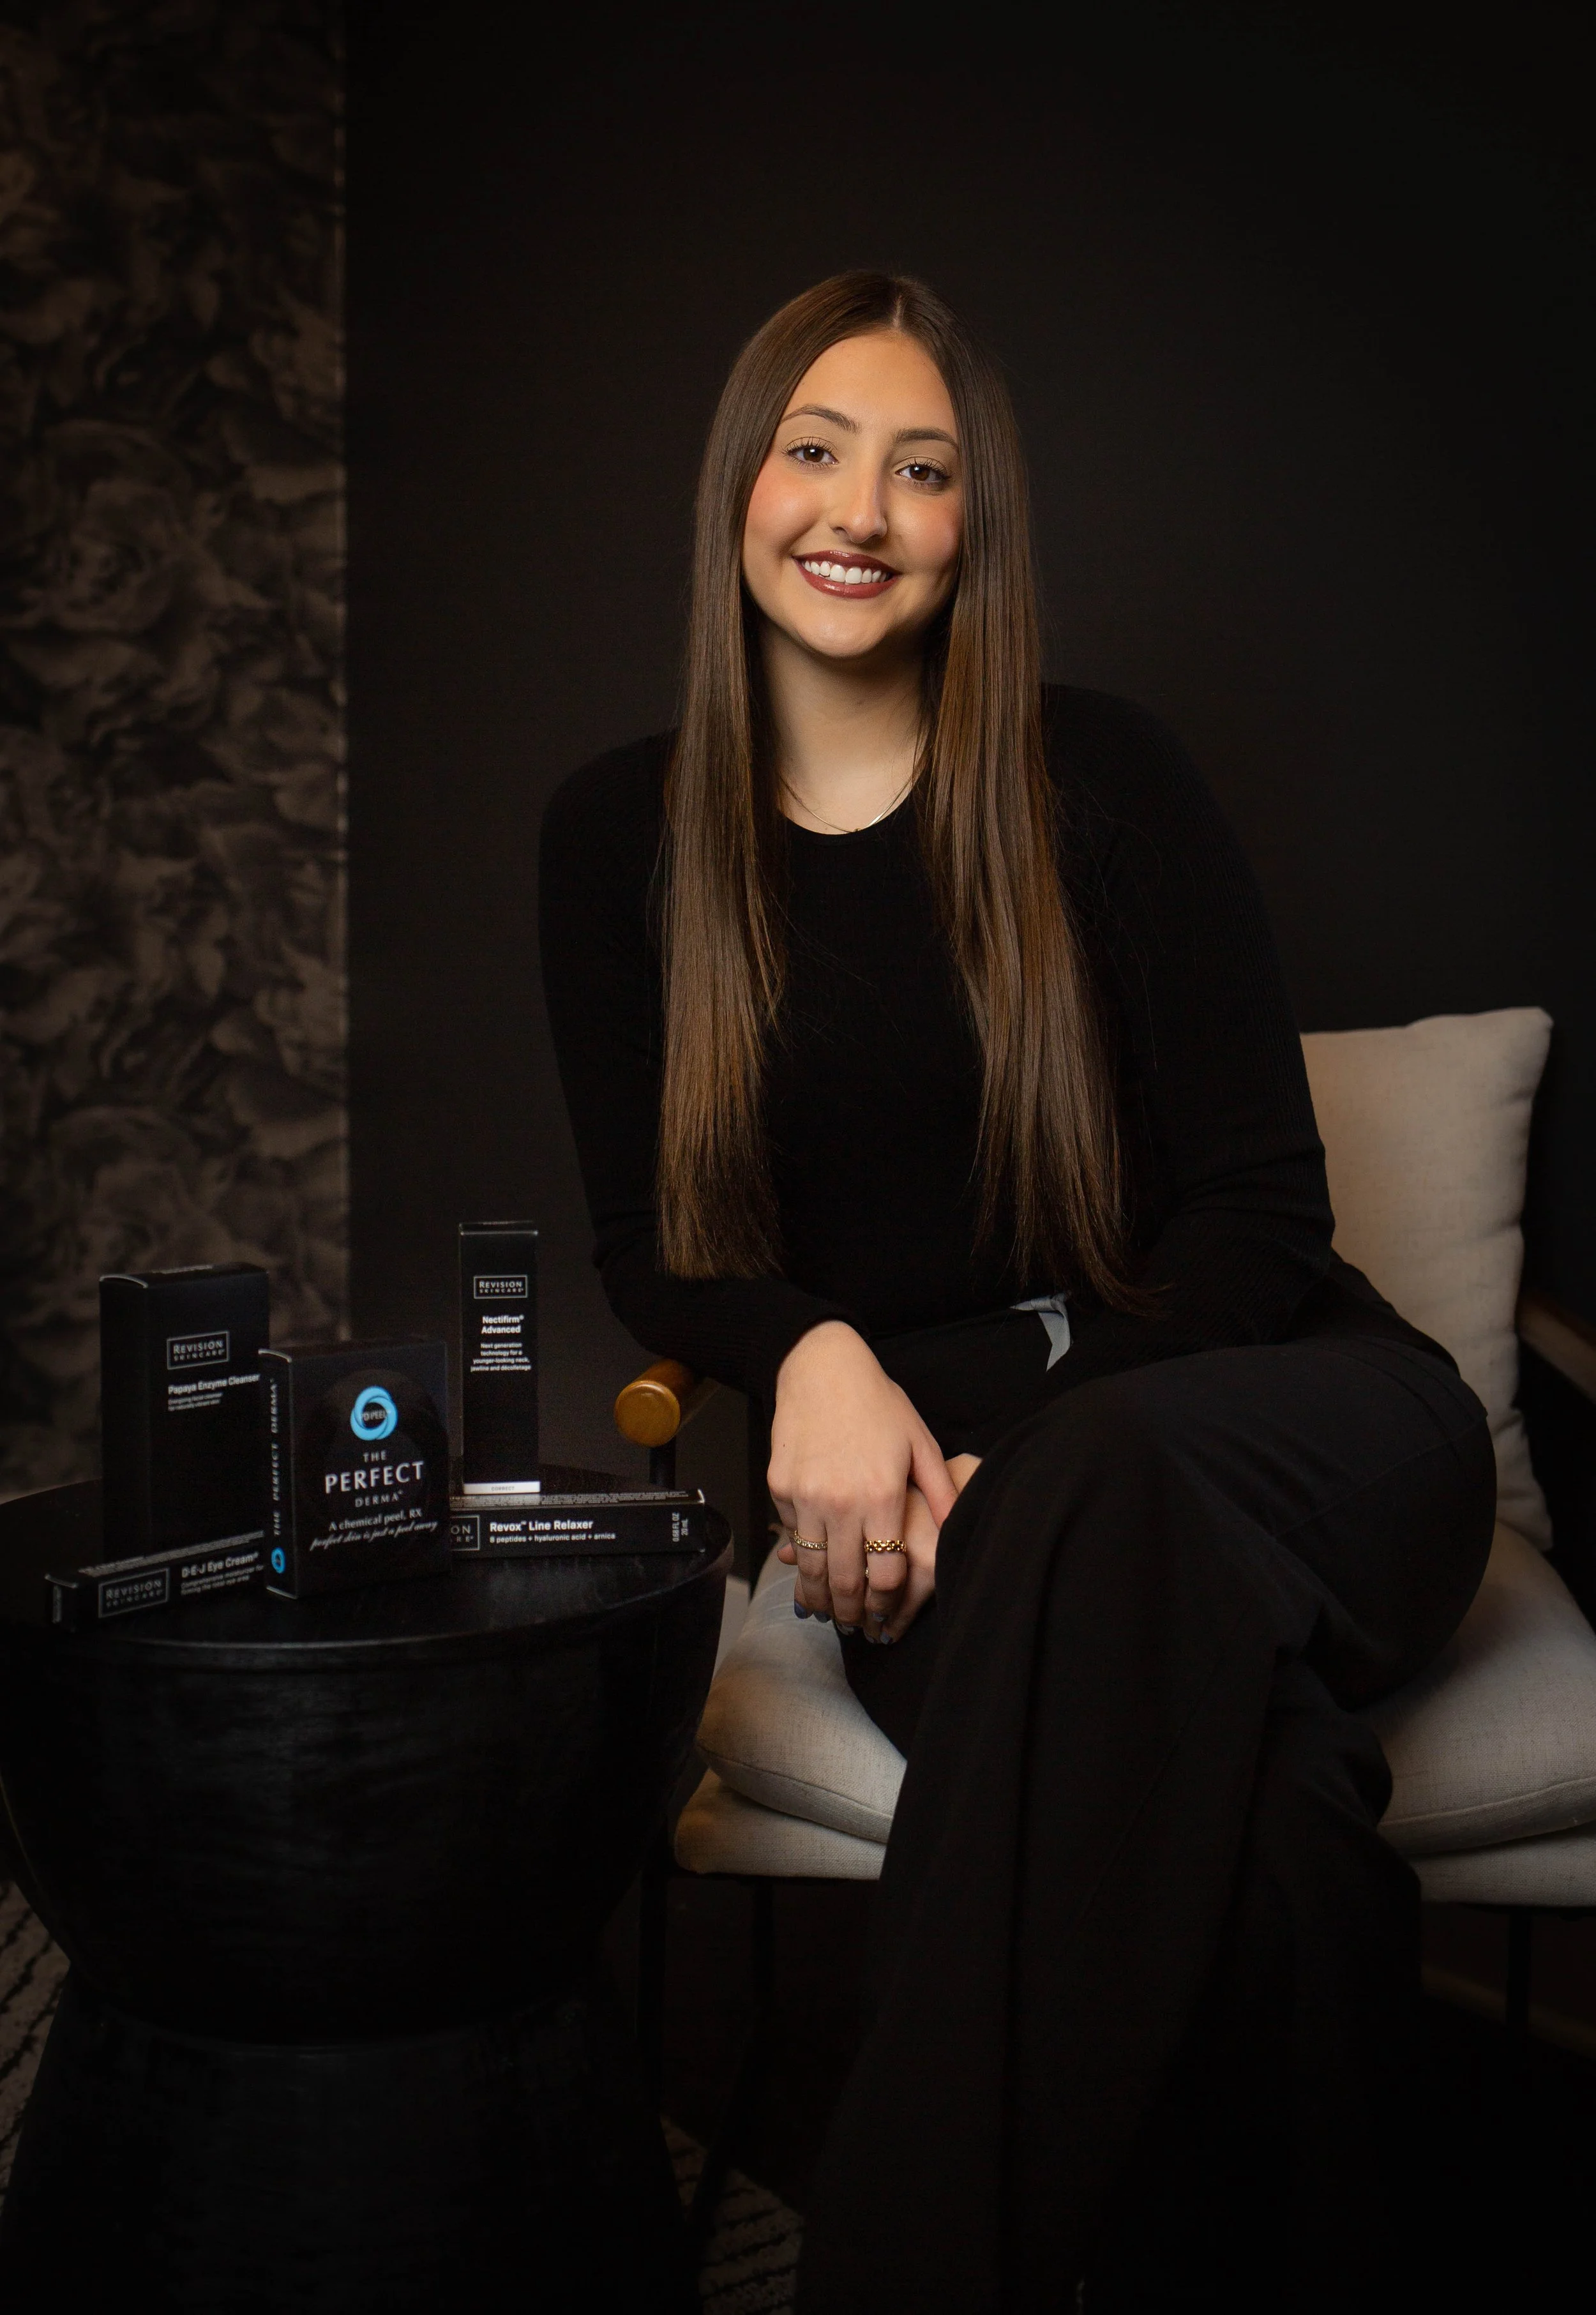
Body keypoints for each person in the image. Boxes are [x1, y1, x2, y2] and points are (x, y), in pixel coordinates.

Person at [538, 272, 1494, 2312]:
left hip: (1307, 1441)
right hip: (967, 1537)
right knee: (1279, 1835)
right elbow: (655, 1244)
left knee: (1107, 1482)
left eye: (922, 467)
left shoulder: (1100, 781)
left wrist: (956, 1409)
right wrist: (802, 1349)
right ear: (736, 485)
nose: (857, 510)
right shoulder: (617, 837)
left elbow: (1256, 1227)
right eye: (812, 447)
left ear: (976, 528)